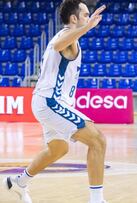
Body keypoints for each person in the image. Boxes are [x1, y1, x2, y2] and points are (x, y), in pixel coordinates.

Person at [2, 1, 107, 203]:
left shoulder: (68, 37)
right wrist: (88, 27)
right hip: (51, 101)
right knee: (98, 141)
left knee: (59, 148)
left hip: (47, 102)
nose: (89, 17)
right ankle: (96, 200)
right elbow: (61, 45)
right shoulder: (65, 38)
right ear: (74, 18)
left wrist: (85, 28)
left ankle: (20, 182)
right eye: (85, 14)